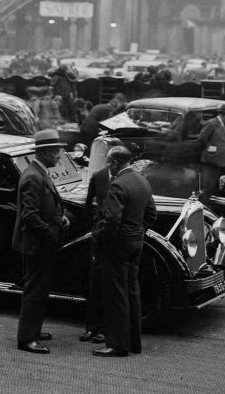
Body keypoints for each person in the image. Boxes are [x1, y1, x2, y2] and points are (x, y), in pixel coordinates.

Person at [92, 146, 156, 357]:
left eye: (109, 162)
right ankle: (133, 343)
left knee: (116, 295)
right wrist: (137, 232)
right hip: (136, 241)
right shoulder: (142, 181)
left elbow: (111, 221)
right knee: (132, 291)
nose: (108, 166)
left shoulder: (117, 185)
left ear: (114, 163)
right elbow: (151, 214)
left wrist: (102, 240)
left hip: (118, 245)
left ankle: (117, 345)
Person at [13, 129, 68, 355]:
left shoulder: (39, 172)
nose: (59, 155)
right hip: (38, 245)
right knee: (35, 291)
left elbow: (45, 205)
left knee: (39, 290)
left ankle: (33, 331)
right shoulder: (33, 177)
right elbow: (30, 216)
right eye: (56, 151)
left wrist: (59, 216)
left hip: (41, 243)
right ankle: (27, 339)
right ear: (44, 152)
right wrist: (51, 232)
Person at [80, 142, 114, 344]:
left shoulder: (127, 178)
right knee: (95, 282)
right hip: (99, 234)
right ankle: (92, 327)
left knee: (109, 284)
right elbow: (88, 203)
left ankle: (105, 328)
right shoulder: (99, 177)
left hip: (114, 236)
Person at [193, 109, 225, 204]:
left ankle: (212, 208)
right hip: (211, 162)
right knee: (207, 187)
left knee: (217, 188)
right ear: (224, 115)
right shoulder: (212, 124)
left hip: (222, 162)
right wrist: (211, 150)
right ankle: (201, 208)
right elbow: (201, 140)